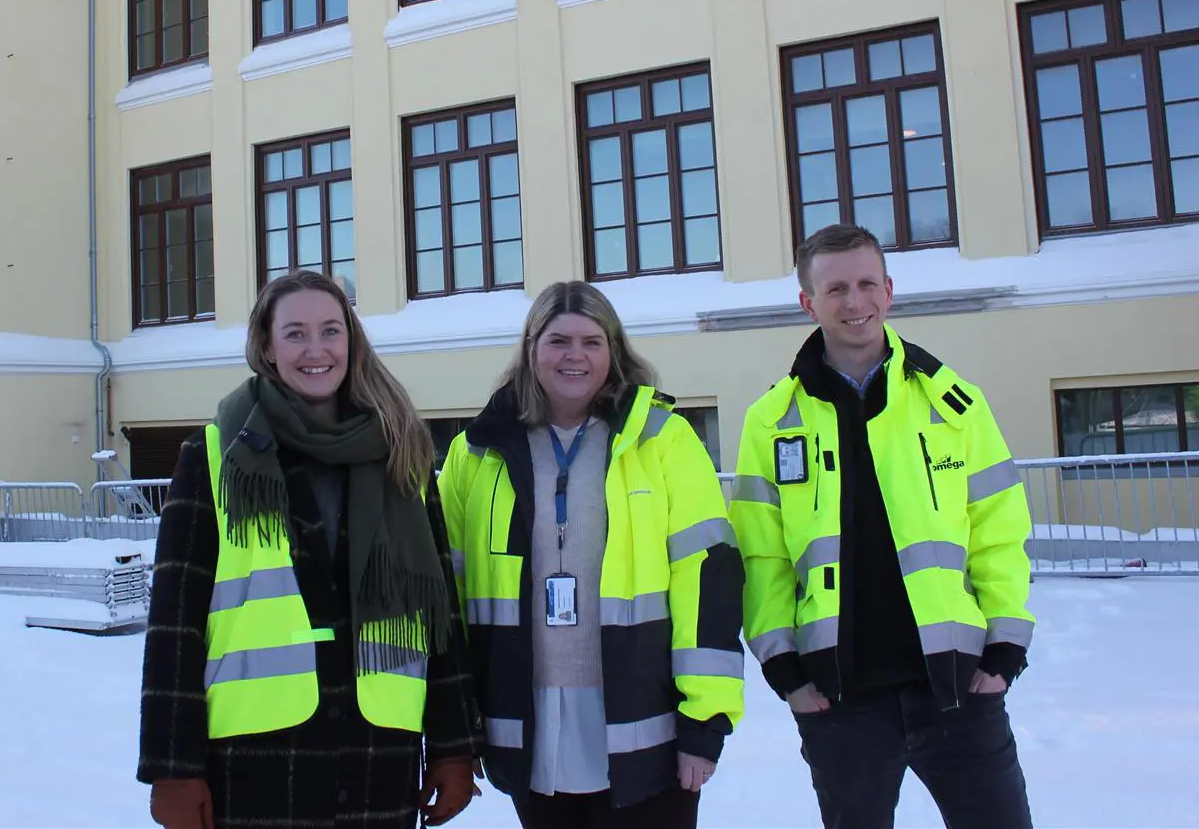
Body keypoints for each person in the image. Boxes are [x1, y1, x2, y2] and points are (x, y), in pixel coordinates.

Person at [136, 270, 483, 829]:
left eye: (330, 331)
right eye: (295, 333)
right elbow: (175, 624)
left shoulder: (402, 457)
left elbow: (438, 614)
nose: (315, 349)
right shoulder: (214, 456)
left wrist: (453, 746)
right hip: (255, 763)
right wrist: (173, 767)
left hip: (380, 756)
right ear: (267, 348)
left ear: (351, 341)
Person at [730, 224, 1036, 829]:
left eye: (867, 283)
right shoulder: (770, 422)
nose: (855, 301)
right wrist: (785, 672)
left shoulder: (953, 404)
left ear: (890, 291)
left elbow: (998, 533)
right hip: (839, 700)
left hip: (958, 686)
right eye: (836, 287)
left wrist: (1004, 650)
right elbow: (761, 559)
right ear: (807, 303)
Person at [438, 280, 744, 829]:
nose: (574, 355)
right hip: (527, 728)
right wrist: (459, 728)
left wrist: (706, 720)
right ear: (531, 348)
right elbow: (450, 597)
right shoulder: (475, 453)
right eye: (558, 341)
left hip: (648, 729)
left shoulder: (664, 441)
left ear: (614, 351)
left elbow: (709, 580)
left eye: (591, 341)